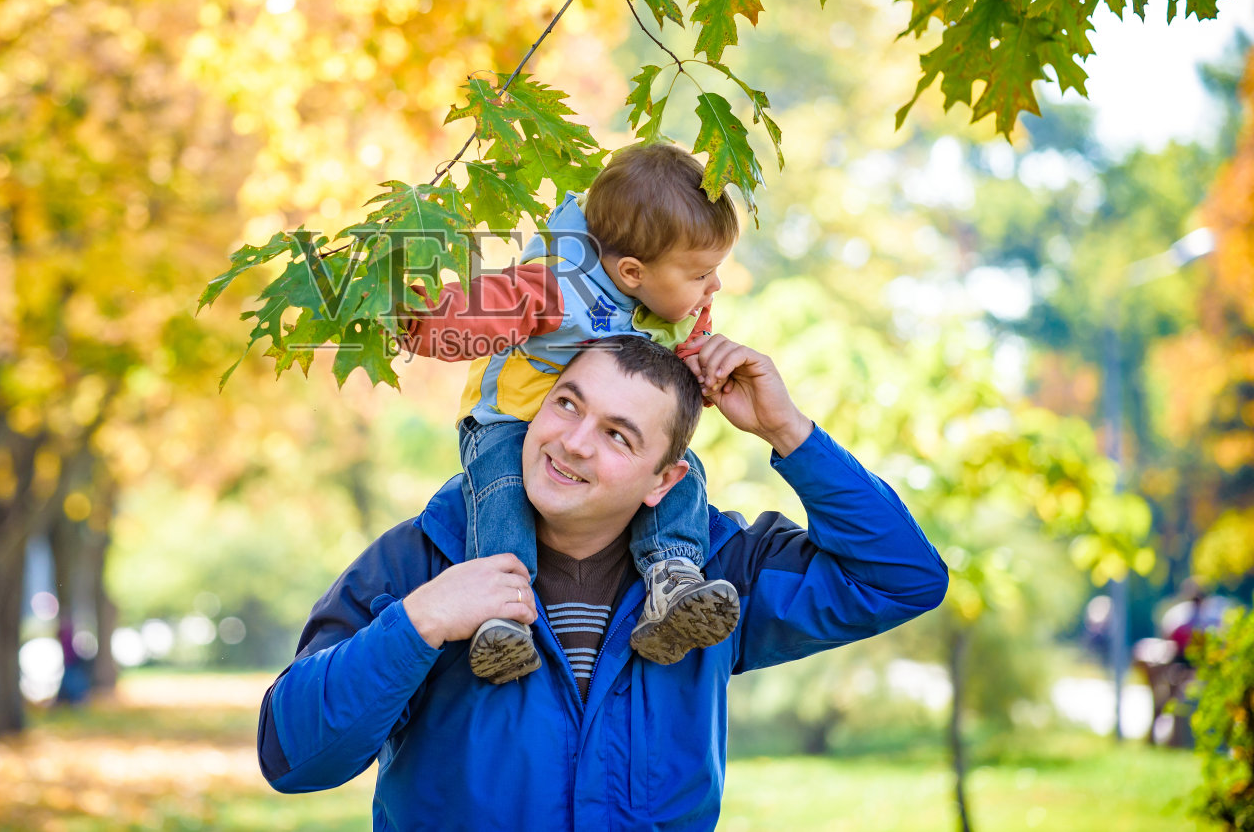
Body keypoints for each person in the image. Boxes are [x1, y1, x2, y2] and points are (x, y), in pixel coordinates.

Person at [258, 335, 949, 830]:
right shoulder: (424, 558)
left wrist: (788, 430)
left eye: (619, 436)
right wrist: (418, 623)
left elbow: (900, 578)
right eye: (566, 405)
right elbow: (292, 756)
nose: (573, 441)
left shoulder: (715, 573)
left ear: (664, 481)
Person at [399, 143, 742, 683]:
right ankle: (500, 612)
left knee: (679, 470)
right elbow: (478, 312)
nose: (714, 286)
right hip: (509, 421)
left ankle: (670, 577)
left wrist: (708, 371)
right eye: (702, 273)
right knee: (503, 486)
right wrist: (410, 317)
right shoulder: (559, 284)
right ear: (632, 271)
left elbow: (674, 374)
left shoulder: (677, 305)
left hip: (595, 434)